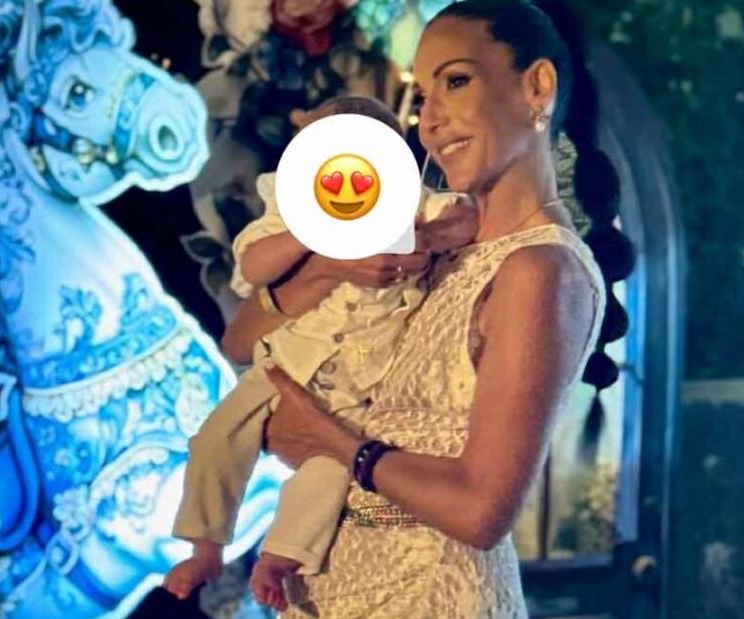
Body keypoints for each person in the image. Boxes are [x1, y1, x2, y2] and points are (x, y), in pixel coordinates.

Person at [237, 0, 635, 615]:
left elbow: (481, 513)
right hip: (337, 584)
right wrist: (330, 263)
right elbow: (239, 339)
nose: (430, 121)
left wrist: (332, 441)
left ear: (537, 86)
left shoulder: (541, 269)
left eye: (456, 82)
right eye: (421, 96)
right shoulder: (432, 246)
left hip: (432, 592)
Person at [163, 95, 479, 609]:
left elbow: (465, 217)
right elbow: (253, 265)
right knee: (216, 440)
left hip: (357, 384)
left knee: (330, 473)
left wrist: (425, 235)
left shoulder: (409, 203)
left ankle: (280, 558)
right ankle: (206, 548)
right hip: (284, 364)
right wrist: (315, 237)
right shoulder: (294, 206)